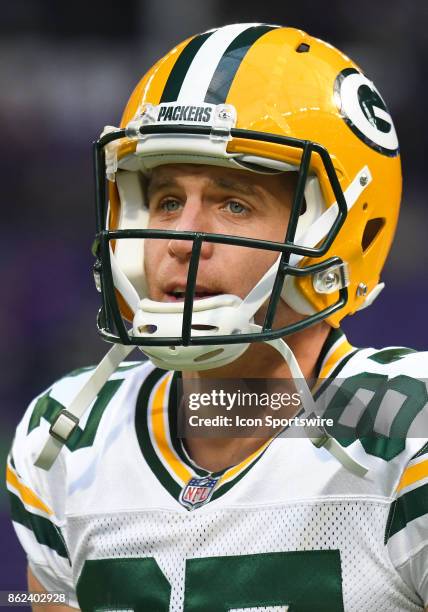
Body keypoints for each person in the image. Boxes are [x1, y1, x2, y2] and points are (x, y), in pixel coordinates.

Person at [6, 23, 428, 611]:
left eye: (235, 203)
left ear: (344, 231)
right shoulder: (70, 441)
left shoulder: (411, 437)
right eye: (167, 200)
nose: (180, 238)